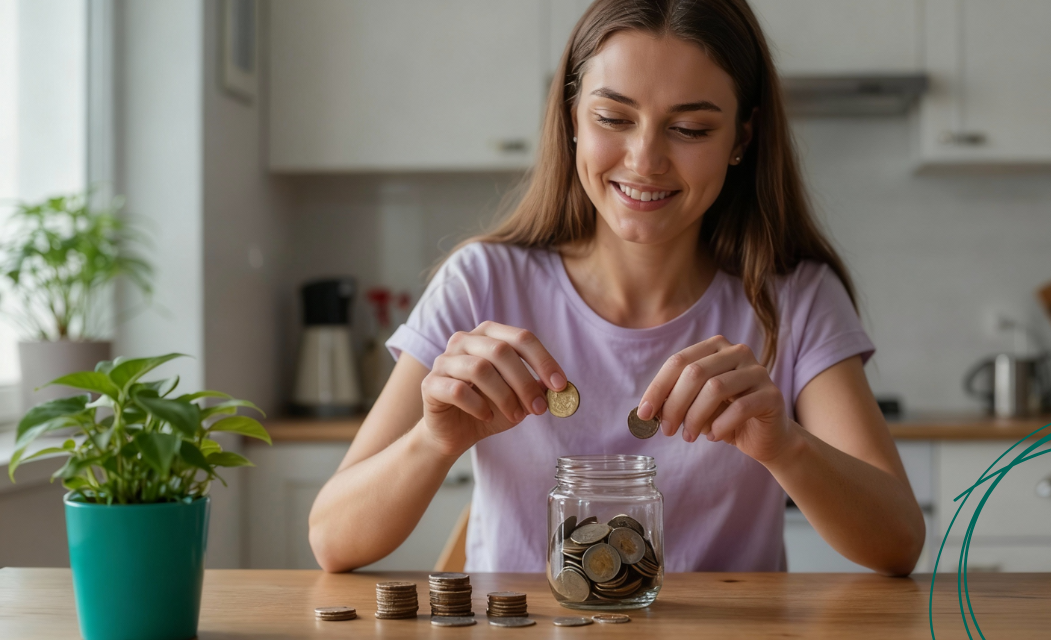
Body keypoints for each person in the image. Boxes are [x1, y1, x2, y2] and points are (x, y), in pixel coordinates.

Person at [309, 0, 924, 576]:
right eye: (613, 118)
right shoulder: (482, 281)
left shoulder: (794, 295)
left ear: (741, 139)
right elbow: (332, 540)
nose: (645, 159)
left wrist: (786, 446)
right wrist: (433, 441)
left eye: (690, 129)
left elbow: (899, 543)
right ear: (572, 117)